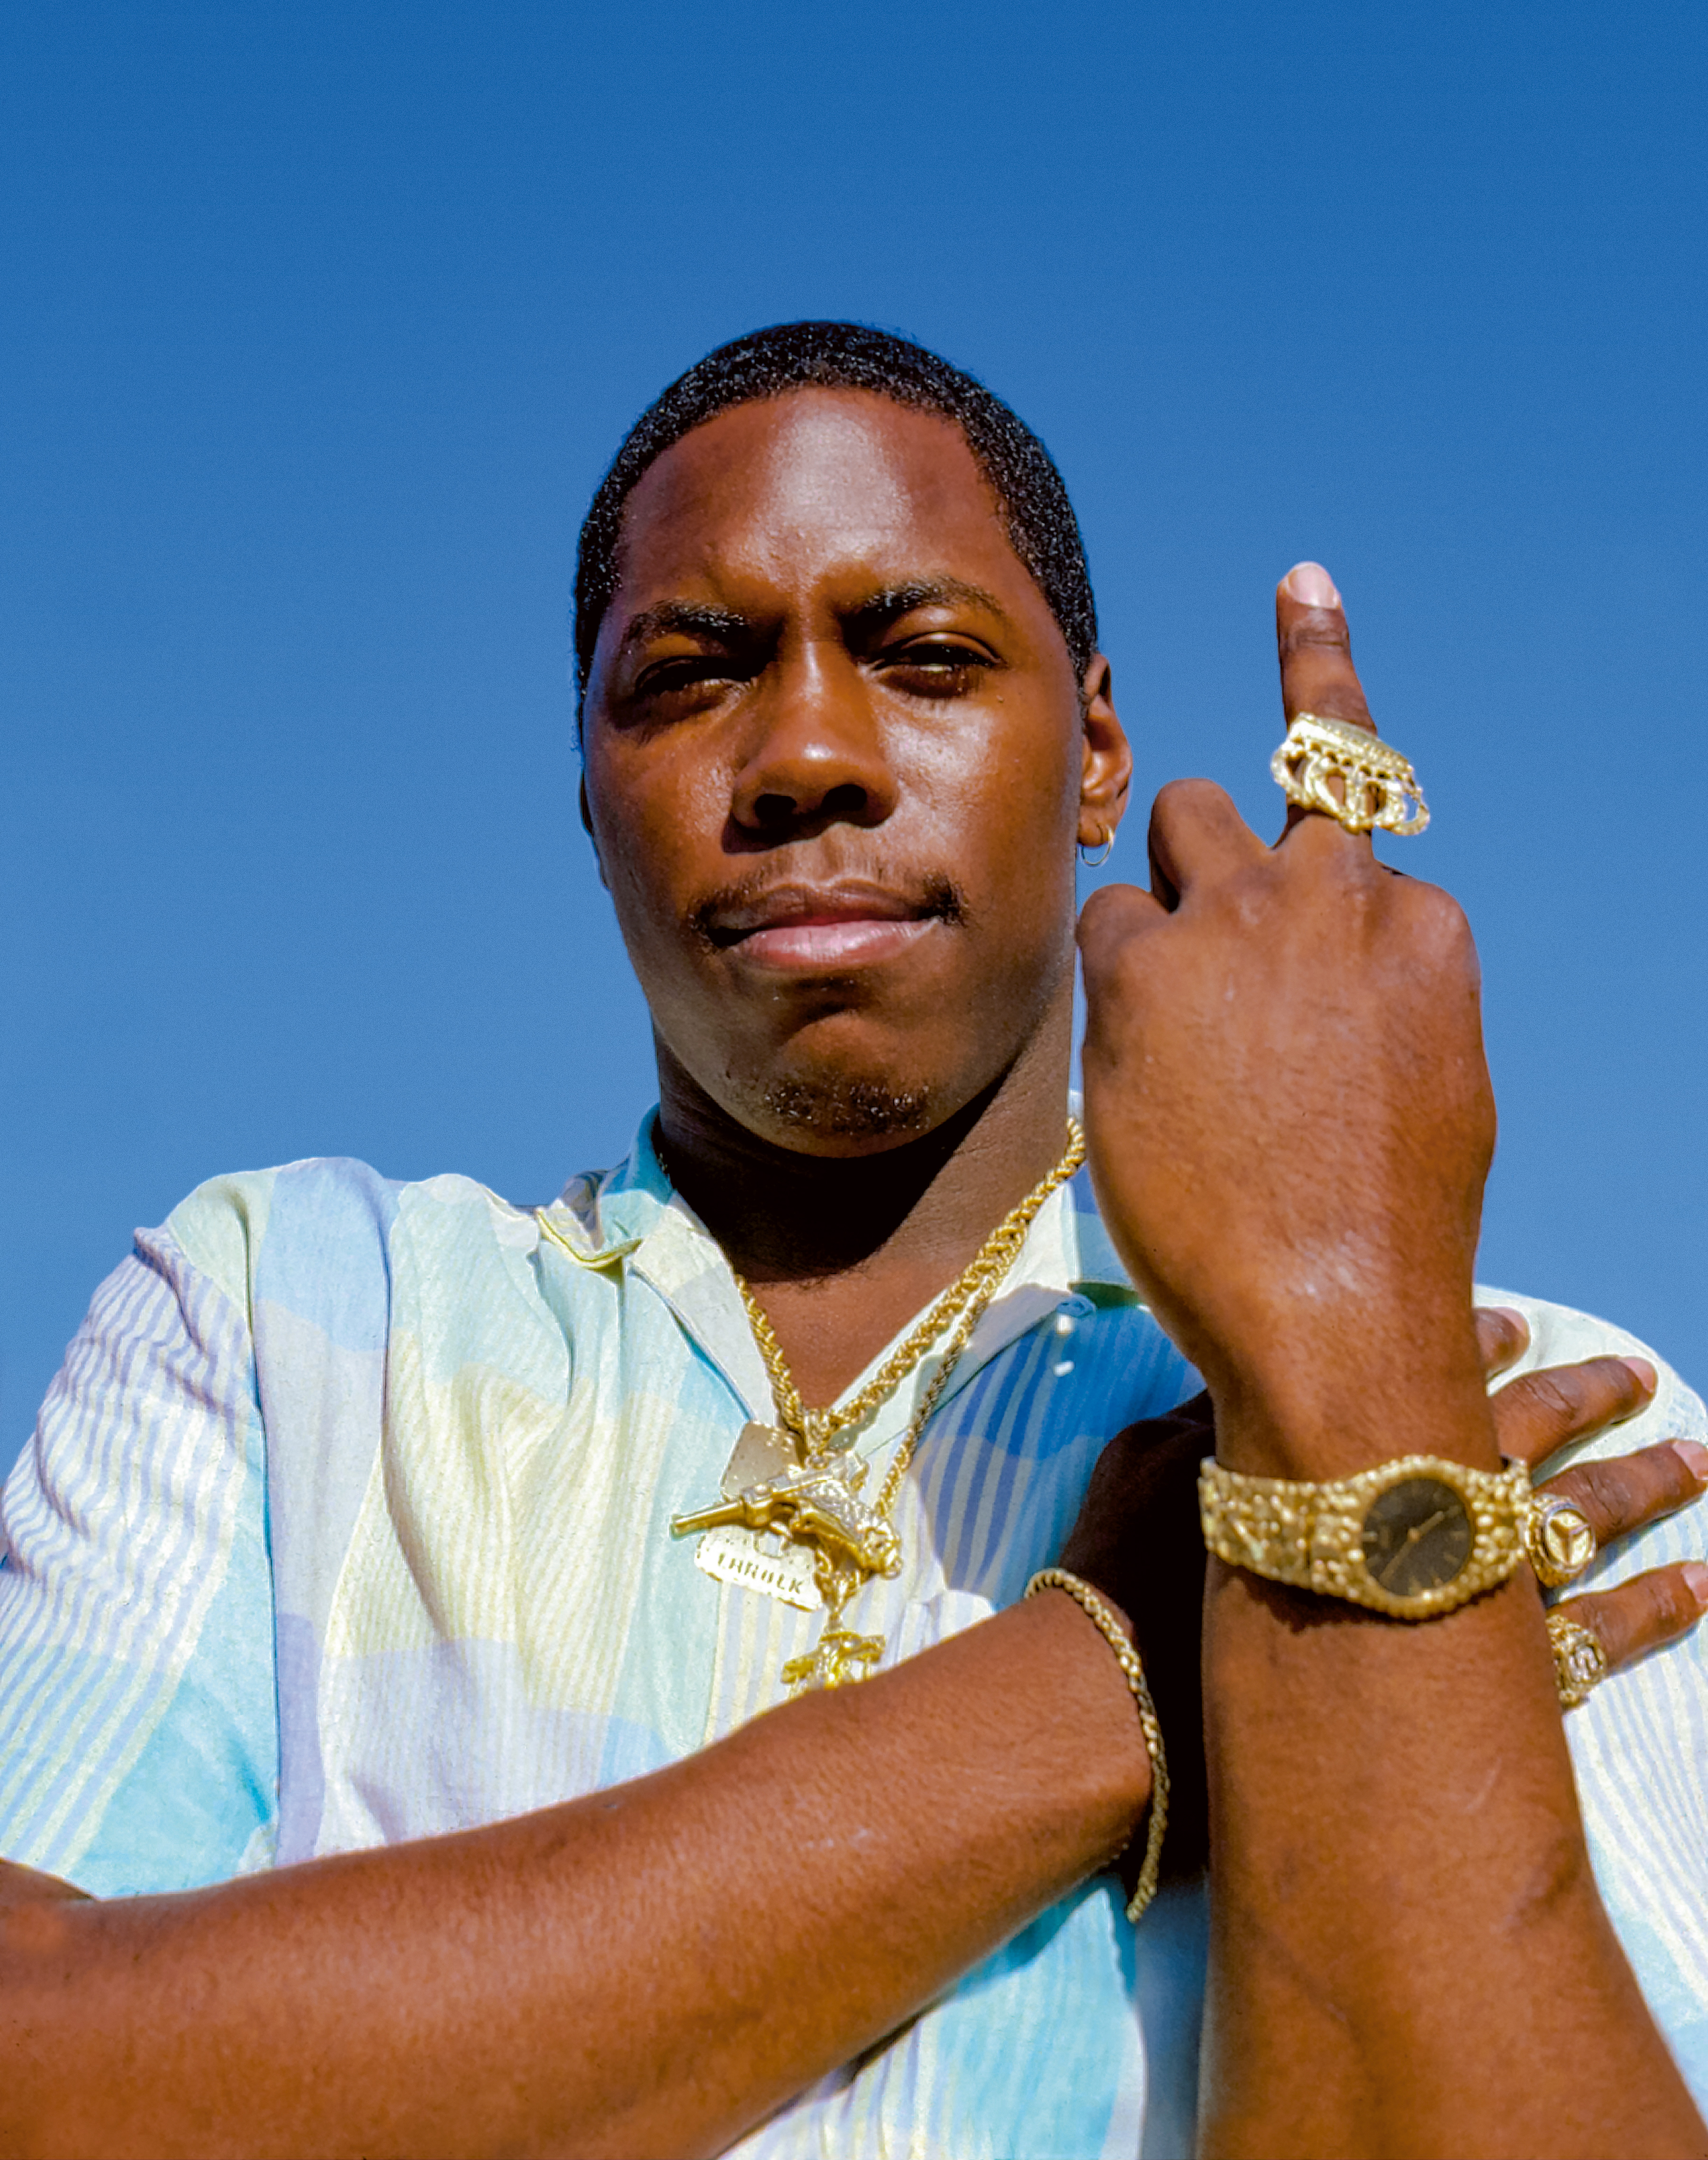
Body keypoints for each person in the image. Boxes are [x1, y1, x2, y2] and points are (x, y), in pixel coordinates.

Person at [0, 320, 1705, 2160]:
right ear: (586, 789)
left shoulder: (1517, 1410)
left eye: (925, 656)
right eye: (688, 673)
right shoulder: (291, 1314)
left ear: (1098, 751)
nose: (807, 750)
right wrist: (1102, 1681)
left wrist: (1349, 1341)